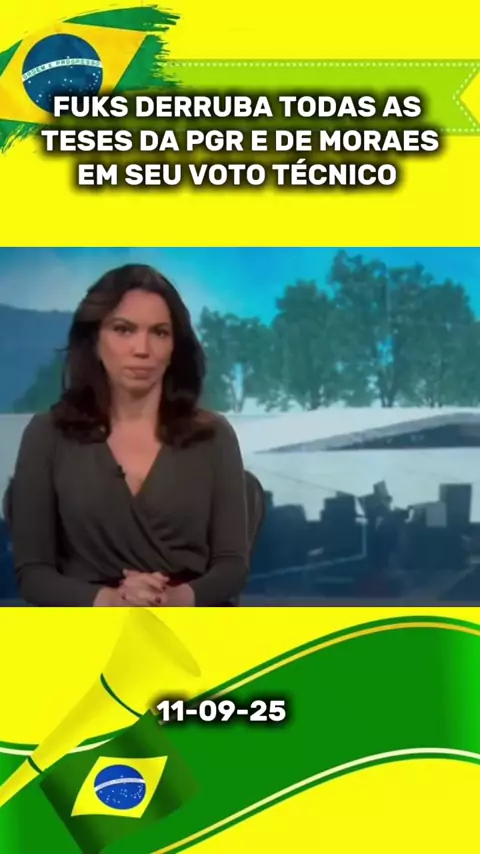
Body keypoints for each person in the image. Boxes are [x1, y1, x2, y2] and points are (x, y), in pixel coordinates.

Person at [10, 264, 249, 607]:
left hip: (188, 622)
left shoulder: (213, 437)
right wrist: (109, 601)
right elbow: (34, 574)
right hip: (88, 625)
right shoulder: (48, 435)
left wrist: (175, 599)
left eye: (160, 333)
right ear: (95, 339)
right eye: (124, 330)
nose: (142, 349)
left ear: (175, 347)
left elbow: (232, 566)